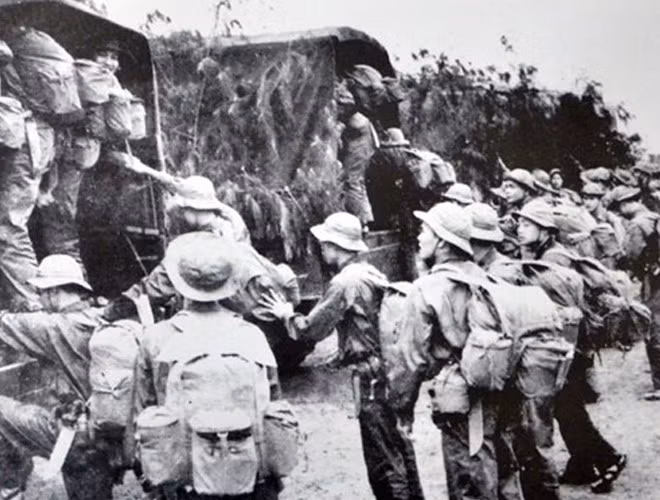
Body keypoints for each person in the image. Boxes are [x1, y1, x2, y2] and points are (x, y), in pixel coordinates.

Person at [261, 212, 424, 500]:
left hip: (370, 378)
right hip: (389, 370)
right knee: (401, 450)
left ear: (337, 246)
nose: (322, 249)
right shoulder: (371, 273)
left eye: (325, 243)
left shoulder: (344, 283)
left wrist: (286, 314)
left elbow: (310, 330)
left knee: (382, 461)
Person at [135, 231, 281, 499]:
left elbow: (144, 409)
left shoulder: (156, 338)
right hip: (247, 473)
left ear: (179, 284)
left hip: (186, 479)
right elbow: (273, 404)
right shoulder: (252, 335)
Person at [387, 202, 514, 500]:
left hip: (460, 399)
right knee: (499, 472)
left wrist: (402, 409)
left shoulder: (427, 288)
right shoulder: (488, 277)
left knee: (467, 481)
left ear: (442, 241)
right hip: (498, 389)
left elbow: (411, 359)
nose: (419, 237)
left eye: (425, 231)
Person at [515, 201, 627, 494]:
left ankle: (609, 457)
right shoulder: (547, 253)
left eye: (527, 224)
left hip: (567, 344)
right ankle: (581, 466)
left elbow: (561, 310)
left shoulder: (553, 259)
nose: (520, 229)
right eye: (520, 223)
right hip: (568, 343)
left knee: (568, 409)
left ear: (544, 231)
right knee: (567, 408)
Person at [0, 255, 119, 500]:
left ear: (53, 292)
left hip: (75, 438)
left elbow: (5, 324)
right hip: (109, 436)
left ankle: (9, 490)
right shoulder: (101, 318)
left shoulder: (50, 326)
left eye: (41, 293)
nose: (40, 300)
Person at [609, 186, 660, 401]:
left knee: (654, 329)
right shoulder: (654, 217)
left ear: (626, 204)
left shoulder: (637, 224)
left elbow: (632, 254)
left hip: (653, 280)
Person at [581, 182, 625, 269]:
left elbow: (620, 238)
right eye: (585, 198)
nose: (588, 203)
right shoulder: (582, 215)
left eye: (592, 199)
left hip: (608, 257)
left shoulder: (608, 216)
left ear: (599, 200)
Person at [498, 169, 538, 259]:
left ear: (526, 191)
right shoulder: (519, 208)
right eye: (506, 187)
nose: (507, 191)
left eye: (512, 187)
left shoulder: (533, 210)